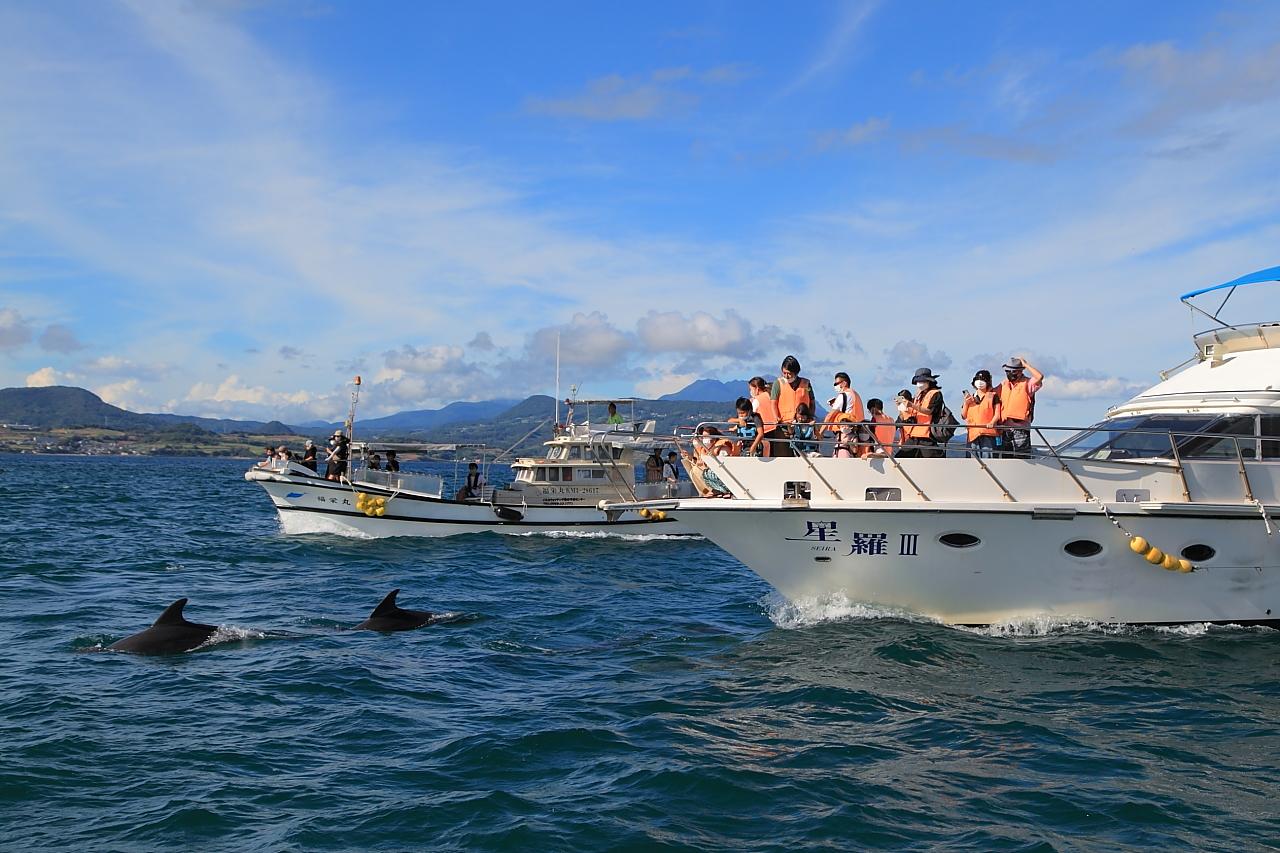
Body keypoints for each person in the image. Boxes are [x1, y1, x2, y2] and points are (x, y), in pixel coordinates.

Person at [997, 356, 1044, 458]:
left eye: (1012, 371)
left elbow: (1039, 377)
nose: (1009, 373)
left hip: (1021, 429)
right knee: (1006, 460)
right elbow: (991, 393)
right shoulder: (1004, 384)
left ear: (1019, 372)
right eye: (1007, 371)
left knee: (1022, 458)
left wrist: (1026, 364)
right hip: (1005, 430)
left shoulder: (1028, 383)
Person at [769, 355, 814, 458]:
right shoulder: (778, 383)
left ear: (796, 372)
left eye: (789, 373)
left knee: (803, 457)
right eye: (784, 373)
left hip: (803, 427)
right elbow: (773, 402)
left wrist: (810, 416)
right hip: (784, 427)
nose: (786, 376)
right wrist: (776, 417)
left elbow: (812, 401)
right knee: (783, 456)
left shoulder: (806, 384)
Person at [897, 368, 944, 458]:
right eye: (917, 381)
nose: (919, 384)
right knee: (901, 457)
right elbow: (914, 413)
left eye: (921, 381)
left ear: (929, 381)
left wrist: (911, 405)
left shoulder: (936, 394)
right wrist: (902, 407)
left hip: (927, 435)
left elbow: (930, 411)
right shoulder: (919, 395)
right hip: (914, 435)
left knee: (936, 461)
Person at [961, 370, 1002, 458]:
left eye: (983, 380)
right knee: (972, 461)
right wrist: (966, 403)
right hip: (972, 435)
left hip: (987, 434)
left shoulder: (993, 396)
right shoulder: (970, 398)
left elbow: (997, 414)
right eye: (977, 379)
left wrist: (992, 422)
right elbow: (963, 416)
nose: (980, 382)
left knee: (988, 459)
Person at [823, 372, 864, 458]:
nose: (835, 386)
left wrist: (820, 432)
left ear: (844, 383)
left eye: (836, 383)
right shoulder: (854, 394)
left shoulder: (842, 396)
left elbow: (830, 416)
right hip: (855, 434)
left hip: (844, 436)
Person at [748, 376, 780, 456]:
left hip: (764, 430)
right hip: (776, 428)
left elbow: (750, 416)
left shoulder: (756, 400)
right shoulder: (770, 395)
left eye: (751, 389)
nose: (750, 391)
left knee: (765, 454)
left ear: (757, 388)